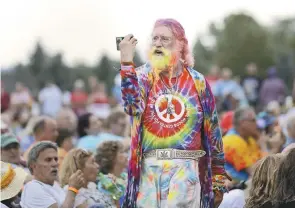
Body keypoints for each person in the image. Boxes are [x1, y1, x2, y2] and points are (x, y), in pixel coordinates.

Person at [119, 18, 228, 207]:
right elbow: (131, 107)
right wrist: (126, 62)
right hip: (149, 169)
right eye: (154, 39)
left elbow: (213, 132)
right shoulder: (142, 76)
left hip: (185, 169)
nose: (158, 43)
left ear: (180, 44)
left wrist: (218, 178)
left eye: (165, 39)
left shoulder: (198, 82)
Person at [20, 141, 85, 208]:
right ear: (33, 166)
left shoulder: (54, 185)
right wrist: (73, 189)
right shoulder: (33, 188)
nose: (55, 164)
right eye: (48, 160)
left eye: (56, 159)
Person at [223, 107, 264, 182]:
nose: (257, 123)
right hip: (234, 189)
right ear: (242, 123)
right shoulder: (233, 141)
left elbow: (265, 164)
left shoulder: (249, 138)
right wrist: (264, 146)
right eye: (253, 120)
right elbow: (256, 173)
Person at [95, 141, 128, 207]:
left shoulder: (126, 176)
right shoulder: (106, 182)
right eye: (122, 152)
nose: (126, 155)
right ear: (112, 158)